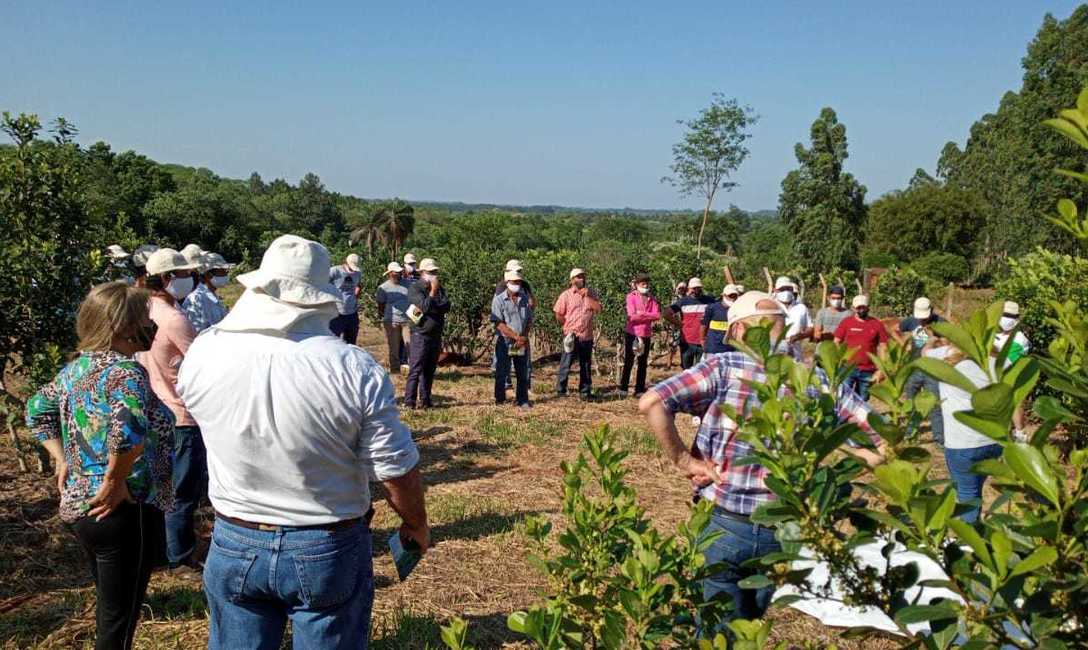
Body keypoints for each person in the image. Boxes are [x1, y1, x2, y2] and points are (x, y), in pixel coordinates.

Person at [176, 235, 429, 650]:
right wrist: (415, 523)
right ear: (319, 298)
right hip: (324, 543)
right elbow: (394, 466)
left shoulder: (205, 352)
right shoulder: (352, 367)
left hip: (235, 536)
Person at [638, 291, 884, 627]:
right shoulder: (818, 380)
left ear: (738, 332)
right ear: (782, 332)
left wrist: (684, 461)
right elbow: (884, 444)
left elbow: (652, 402)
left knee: (717, 630)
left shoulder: (722, 368)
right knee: (750, 624)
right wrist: (833, 470)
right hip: (786, 532)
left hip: (726, 523)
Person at [27, 282, 174, 650]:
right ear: (123, 327)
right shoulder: (126, 372)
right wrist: (114, 480)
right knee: (118, 625)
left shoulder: (75, 370)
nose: (150, 327)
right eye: (144, 319)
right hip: (123, 506)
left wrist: (63, 458)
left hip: (82, 507)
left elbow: (35, 411)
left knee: (110, 611)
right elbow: (128, 434)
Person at [141, 248, 204, 579]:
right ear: (166, 278)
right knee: (182, 493)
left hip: (155, 413)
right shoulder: (174, 319)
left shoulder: (144, 310)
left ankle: (157, 552)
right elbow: (201, 365)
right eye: (183, 275)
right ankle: (178, 557)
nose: (190, 279)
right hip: (181, 414)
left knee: (159, 487)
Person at [935, 347, 1004, 523]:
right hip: (994, 441)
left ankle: (973, 541)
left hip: (963, 443)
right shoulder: (998, 363)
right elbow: (1016, 401)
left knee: (967, 495)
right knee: (976, 489)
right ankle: (978, 531)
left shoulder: (949, 367)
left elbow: (924, 353)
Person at [899, 297, 945, 445]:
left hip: (932, 369)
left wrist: (934, 340)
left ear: (931, 311)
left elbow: (950, 343)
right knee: (910, 401)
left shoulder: (942, 323)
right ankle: (911, 434)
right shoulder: (912, 321)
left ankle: (939, 439)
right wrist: (903, 343)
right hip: (914, 367)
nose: (922, 320)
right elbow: (894, 329)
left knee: (934, 404)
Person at [404, 258, 450, 409]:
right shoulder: (415, 288)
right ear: (422, 273)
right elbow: (423, 307)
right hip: (420, 334)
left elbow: (446, 305)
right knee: (416, 369)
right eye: (431, 272)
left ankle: (426, 400)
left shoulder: (440, 288)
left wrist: (432, 303)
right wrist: (432, 293)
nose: (434, 275)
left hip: (435, 334)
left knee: (429, 369)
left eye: (435, 272)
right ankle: (409, 402)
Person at [554, 268, 602, 399]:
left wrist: (587, 296)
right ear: (572, 280)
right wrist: (567, 326)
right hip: (571, 335)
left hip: (586, 335)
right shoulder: (566, 295)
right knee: (566, 362)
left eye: (582, 276)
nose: (581, 279)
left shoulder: (591, 293)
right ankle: (561, 390)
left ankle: (585, 391)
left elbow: (598, 308)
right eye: (578, 277)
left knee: (585, 364)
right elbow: (558, 313)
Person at [833, 295, 890, 402]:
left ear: (868, 307)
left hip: (868, 370)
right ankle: (844, 419)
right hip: (847, 368)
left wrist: (881, 370)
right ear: (853, 308)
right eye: (858, 307)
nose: (861, 310)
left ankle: (858, 419)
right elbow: (836, 342)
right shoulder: (847, 322)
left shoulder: (877, 324)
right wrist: (838, 361)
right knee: (843, 399)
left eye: (864, 307)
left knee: (863, 400)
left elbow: (883, 347)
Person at [492, 269, 534, 408]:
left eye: (519, 282)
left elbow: (529, 320)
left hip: (520, 342)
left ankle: (522, 400)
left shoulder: (524, 299)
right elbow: (499, 323)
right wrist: (515, 336)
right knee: (502, 371)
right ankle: (500, 399)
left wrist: (524, 337)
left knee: (522, 371)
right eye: (514, 282)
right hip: (505, 341)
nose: (517, 284)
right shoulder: (498, 300)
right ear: (507, 282)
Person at [994, 301, 1031, 439]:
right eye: (1003, 314)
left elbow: (1006, 362)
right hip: (996, 380)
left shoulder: (1019, 340)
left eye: (1009, 315)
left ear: (1016, 319)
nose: (1005, 318)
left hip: (1013, 379)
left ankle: (1020, 434)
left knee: (1016, 404)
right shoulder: (996, 334)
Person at [620, 273, 660, 396]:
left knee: (643, 362)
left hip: (646, 334)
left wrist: (641, 314)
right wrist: (648, 316)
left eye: (647, 283)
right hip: (633, 333)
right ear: (637, 285)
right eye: (643, 283)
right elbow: (631, 316)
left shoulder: (652, 299)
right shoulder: (631, 297)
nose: (646, 285)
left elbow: (657, 315)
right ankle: (623, 388)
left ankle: (639, 389)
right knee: (629, 361)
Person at [667, 277, 716, 369]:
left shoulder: (710, 301)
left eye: (698, 288)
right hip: (687, 342)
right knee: (686, 370)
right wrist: (679, 323)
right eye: (694, 288)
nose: (696, 290)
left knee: (701, 371)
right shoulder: (683, 301)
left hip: (703, 341)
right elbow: (666, 313)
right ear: (689, 289)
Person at [183, 252, 234, 333]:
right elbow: (197, 333)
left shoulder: (212, 295)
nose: (226, 274)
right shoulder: (196, 299)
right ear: (208, 275)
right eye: (222, 271)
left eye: (226, 271)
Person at [376, 261, 411, 374]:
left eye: (399, 272)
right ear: (389, 273)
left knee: (410, 346)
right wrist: (384, 318)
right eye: (395, 273)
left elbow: (414, 302)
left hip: (407, 320)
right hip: (391, 321)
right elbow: (381, 305)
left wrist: (417, 319)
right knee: (394, 348)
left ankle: (411, 369)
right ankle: (395, 370)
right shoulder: (383, 288)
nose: (397, 275)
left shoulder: (408, 284)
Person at [774, 276, 811, 359]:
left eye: (788, 288)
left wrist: (799, 336)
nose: (786, 291)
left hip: (796, 354)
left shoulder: (801, 307)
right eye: (782, 289)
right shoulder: (771, 306)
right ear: (775, 290)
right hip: (775, 354)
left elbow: (810, 328)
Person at [329, 254, 362, 344]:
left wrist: (358, 291)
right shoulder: (334, 271)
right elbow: (323, 284)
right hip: (336, 313)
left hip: (352, 313)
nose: (353, 270)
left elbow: (359, 284)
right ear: (346, 262)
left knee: (351, 343)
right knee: (333, 342)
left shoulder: (358, 273)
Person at [701, 284, 740, 357]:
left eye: (735, 296)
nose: (733, 298)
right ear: (724, 295)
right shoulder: (712, 308)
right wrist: (702, 339)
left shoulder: (738, 309)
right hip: (713, 348)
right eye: (730, 296)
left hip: (731, 349)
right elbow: (704, 325)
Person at [667, 281, 688, 369]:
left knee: (684, 344)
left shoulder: (687, 298)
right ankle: (669, 363)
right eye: (680, 288)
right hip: (675, 325)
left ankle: (683, 363)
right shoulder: (675, 298)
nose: (682, 290)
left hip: (685, 325)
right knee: (673, 344)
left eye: (684, 288)